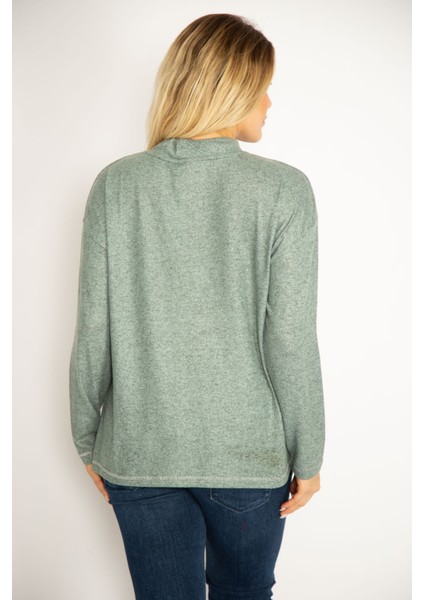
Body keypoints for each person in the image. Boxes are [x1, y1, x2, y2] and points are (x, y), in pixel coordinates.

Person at [69, 12, 325, 600]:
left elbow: (93, 329)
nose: (269, 102)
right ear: (230, 88)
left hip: (138, 451)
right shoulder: (284, 190)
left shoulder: (117, 185)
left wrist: (86, 438)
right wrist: (309, 455)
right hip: (247, 459)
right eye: (262, 86)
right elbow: (289, 337)